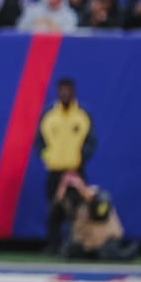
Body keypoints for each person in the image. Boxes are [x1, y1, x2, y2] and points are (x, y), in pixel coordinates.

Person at [35, 78, 97, 254]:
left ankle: (76, 244)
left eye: (68, 90)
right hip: (55, 170)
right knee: (54, 208)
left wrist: (80, 159)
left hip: (75, 170)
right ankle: (54, 244)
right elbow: (39, 141)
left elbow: (91, 141)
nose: (64, 94)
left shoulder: (82, 115)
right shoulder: (49, 115)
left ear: (73, 92)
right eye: (61, 90)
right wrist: (48, 158)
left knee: (77, 210)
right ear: (57, 92)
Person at [56, 172, 139, 261]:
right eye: (69, 190)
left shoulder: (97, 197)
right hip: (85, 241)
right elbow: (59, 203)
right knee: (70, 252)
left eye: (74, 189)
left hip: (105, 238)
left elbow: (101, 213)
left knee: (107, 255)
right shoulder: (70, 203)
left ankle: (127, 251)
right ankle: (93, 253)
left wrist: (86, 195)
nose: (73, 193)